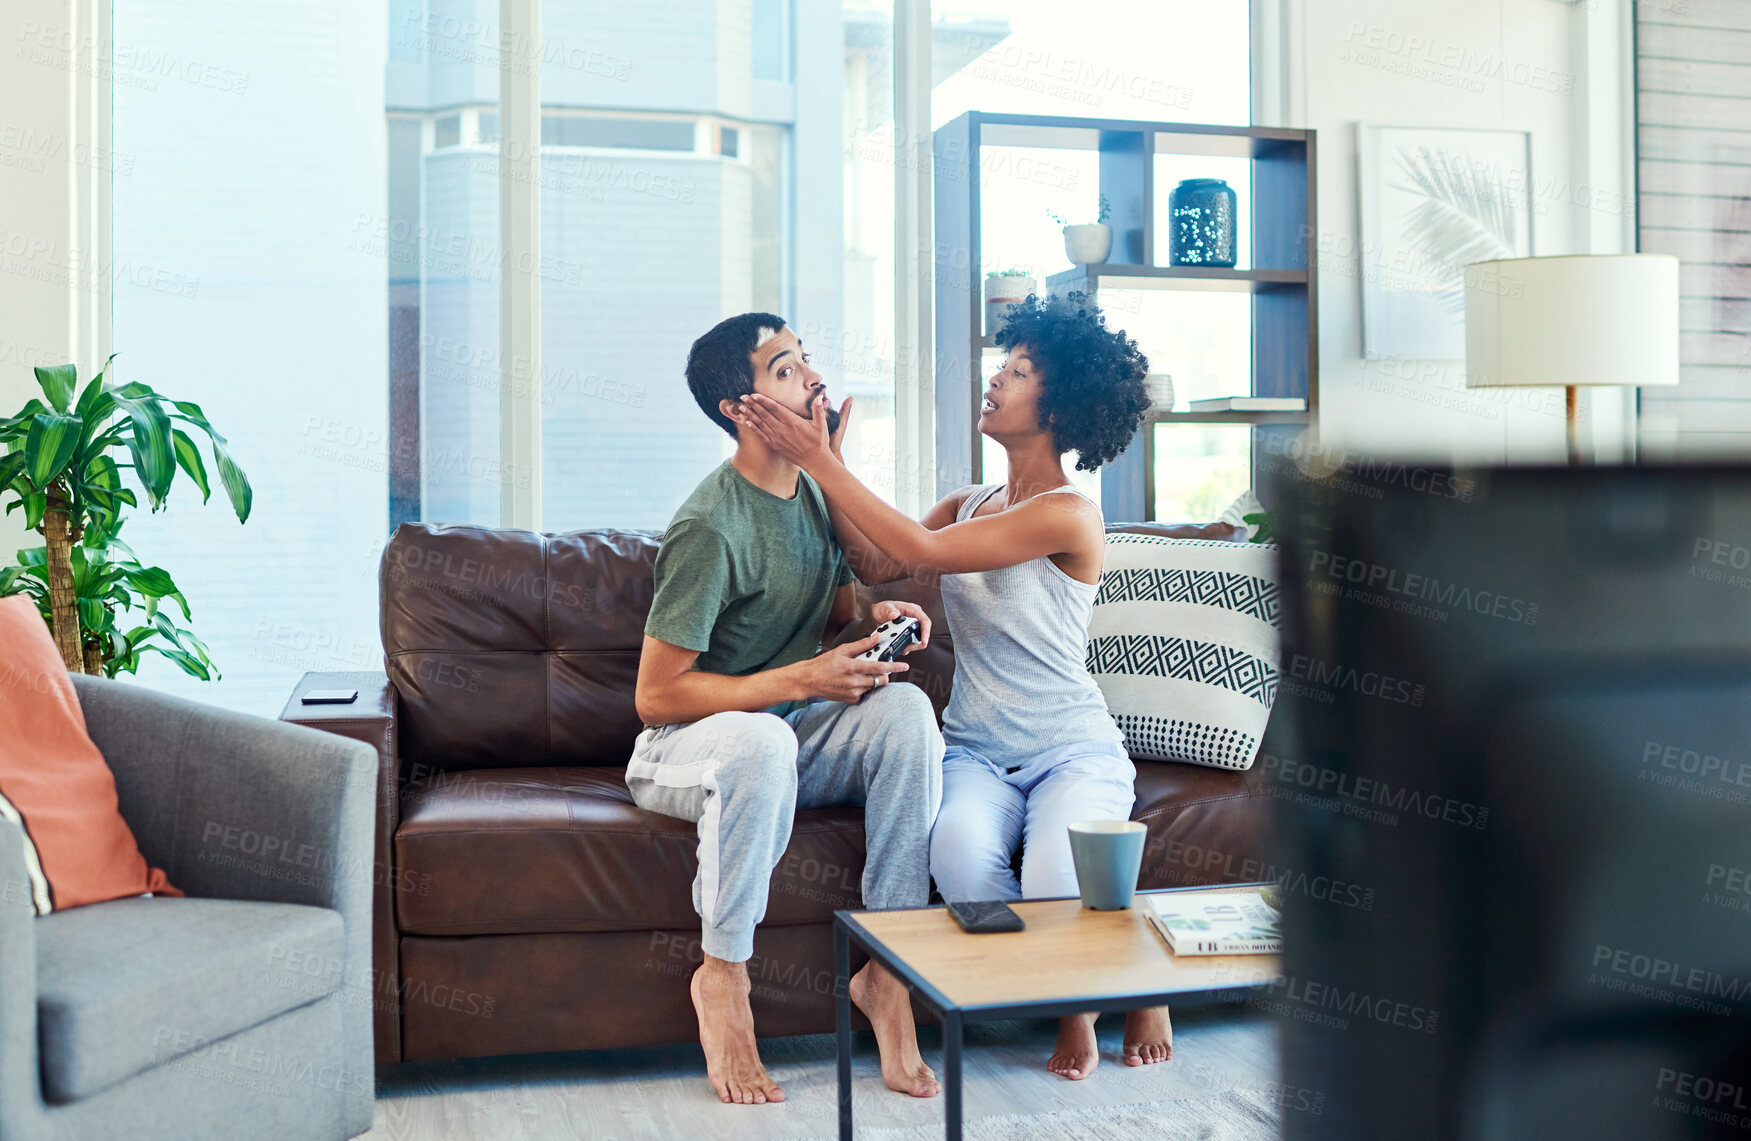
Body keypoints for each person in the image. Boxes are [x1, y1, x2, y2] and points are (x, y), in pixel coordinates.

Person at [734, 291, 1167, 1081]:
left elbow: (916, 544)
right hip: (975, 748)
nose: (995, 380)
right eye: (1000, 365)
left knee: (1050, 879)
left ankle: (1095, 1003)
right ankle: (1077, 975)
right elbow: (878, 561)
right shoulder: (970, 502)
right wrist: (830, 452)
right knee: (963, 871)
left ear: (1059, 403)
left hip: (1069, 746)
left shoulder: (1070, 514)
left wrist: (816, 458)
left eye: (1018, 371)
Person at [630, 312, 945, 1107]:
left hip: (781, 731)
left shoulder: (811, 493)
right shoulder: (709, 524)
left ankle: (889, 968)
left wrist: (872, 625)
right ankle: (723, 980)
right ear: (742, 407)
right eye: (782, 368)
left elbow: (838, 612)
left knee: (905, 714)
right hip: (685, 746)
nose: (810, 376)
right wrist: (803, 680)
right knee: (763, 744)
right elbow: (657, 694)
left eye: (804, 359)